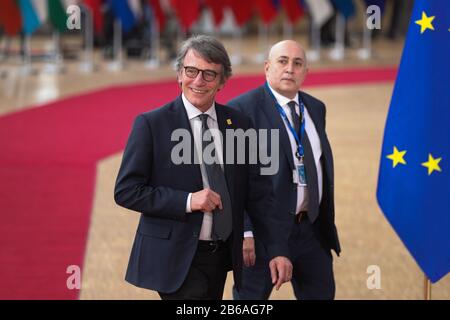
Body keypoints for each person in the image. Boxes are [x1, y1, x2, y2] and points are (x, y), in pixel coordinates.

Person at [114, 35, 292, 300]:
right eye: (191, 71)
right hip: (176, 255)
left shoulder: (239, 125)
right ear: (179, 74)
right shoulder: (151, 124)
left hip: (221, 257)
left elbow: (259, 194)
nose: (198, 81)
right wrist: (188, 200)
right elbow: (127, 190)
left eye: (209, 74)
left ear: (222, 82)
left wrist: (277, 248)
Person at [229, 40, 341, 300]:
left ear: (305, 72)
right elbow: (234, 178)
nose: (290, 69)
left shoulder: (315, 107)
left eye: (297, 63)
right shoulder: (241, 110)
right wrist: (245, 231)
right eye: (282, 61)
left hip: (311, 231)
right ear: (267, 68)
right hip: (261, 235)